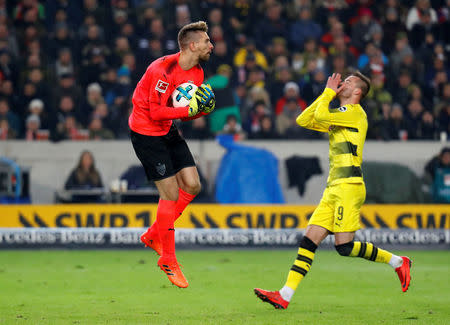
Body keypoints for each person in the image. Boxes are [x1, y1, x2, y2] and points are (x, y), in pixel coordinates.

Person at [254, 72, 411, 309]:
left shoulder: (354, 114)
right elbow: (304, 120)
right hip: (333, 188)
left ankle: (398, 261)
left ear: (357, 92)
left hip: (349, 187)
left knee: (344, 247)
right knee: (309, 240)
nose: (342, 83)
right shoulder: (339, 116)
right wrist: (326, 94)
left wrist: (328, 93)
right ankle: (284, 295)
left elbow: (321, 114)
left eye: (347, 82)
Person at [128, 21, 215, 288]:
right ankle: (168, 258)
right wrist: (190, 112)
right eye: (206, 41)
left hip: (166, 129)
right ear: (192, 45)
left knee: (193, 184)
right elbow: (155, 112)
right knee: (170, 194)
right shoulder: (161, 70)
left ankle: (155, 234)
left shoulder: (198, 73)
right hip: (145, 133)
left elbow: (181, 111)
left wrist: (202, 110)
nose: (211, 45)